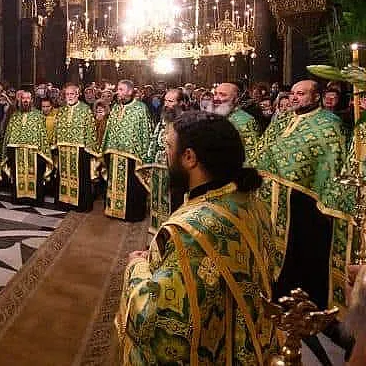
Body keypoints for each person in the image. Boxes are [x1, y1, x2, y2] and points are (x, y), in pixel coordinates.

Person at [116, 111, 277, 365]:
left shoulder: (191, 230)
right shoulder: (248, 202)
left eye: (168, 147)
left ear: (189, 157)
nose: (165, 155)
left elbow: (154, 318)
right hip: (244, 341)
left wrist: (135, 266)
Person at [255, 80, 347, 328]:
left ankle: (299, 305)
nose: (294, 98)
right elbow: (263, 150)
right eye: (293, 93)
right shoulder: (282, 119)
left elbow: (332, 165)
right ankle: (273, 295)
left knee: (300, 251)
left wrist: (326, 198)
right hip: (270, 196)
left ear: (316, 97)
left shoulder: (329, 124)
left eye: (301, 94)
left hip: (304, 203)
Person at [136, 88, 185, 234]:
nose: (166, 104)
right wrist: (148, 160)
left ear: (180, 103)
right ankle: (157, 231)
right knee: (156, 201)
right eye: (165, 100)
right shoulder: (164, 118)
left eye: (171, 101)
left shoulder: (185, 121)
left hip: (174, 170)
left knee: (174, 202)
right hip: (158, 167)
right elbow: (154, 139)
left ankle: (171, 234)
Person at [101, 80, 151, 221]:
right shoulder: (116, 107)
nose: (118, 92)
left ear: (130, 91)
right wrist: (105, 148)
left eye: (121, 89)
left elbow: (145, 133)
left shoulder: (141, 108)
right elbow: (109, 130)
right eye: (118, 89)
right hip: (114, 153)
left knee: (132, 186)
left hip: (133, 156)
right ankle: (113, 210)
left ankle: (132, 214)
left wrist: (144, 155)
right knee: (114, 182)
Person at [54, 83, 102, 212]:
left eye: (72, 94)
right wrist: (55, 144)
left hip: (80, 150)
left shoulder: (85, 109)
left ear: (77, 94)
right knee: (63, 176)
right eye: (67, 94)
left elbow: (91, 130)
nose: (69, 96)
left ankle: (81, 205)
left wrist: (90, 148)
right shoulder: (62, 110)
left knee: (81, 178)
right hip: (64, 149)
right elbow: (56, 129)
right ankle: (64, 203)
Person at [3, 90, 52, 204]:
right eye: (23, 98)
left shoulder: (38, 115)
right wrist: (8, 152)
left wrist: (43, 152)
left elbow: (42, 136)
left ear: (32, 100)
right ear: (20, 100)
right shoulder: (15, 116)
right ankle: (19, 198)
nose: (25, 100)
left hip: (34, 154)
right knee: (17, 176)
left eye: (27, 98)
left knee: (35, 176)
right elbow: (9, 135)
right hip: (17, 152)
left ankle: (34, 199)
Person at [213, 82, 261, 165]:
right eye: (215, 94)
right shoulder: (215, 116)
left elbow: (251, 156)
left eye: (223, 95)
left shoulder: (245, 121)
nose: (216, 98)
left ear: (236, 99)